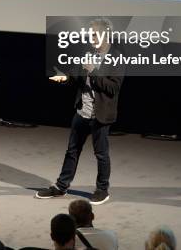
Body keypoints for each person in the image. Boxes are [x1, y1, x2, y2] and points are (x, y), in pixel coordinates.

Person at [36, 18, 124, 205]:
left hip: (100, 115)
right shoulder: (88, 53)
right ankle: (61, 186)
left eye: (94, 34)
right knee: (72, 151)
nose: (91, 38)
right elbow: (77, 77)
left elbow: (113, 88)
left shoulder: (116, 58)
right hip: (82, 111)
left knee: (101, 154)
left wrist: (93, 71)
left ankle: (102, 190)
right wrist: (65, 78)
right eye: (90, 34)